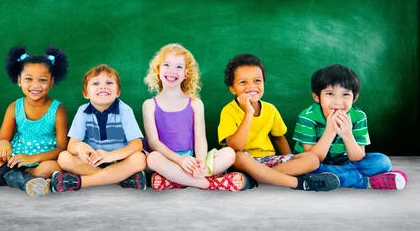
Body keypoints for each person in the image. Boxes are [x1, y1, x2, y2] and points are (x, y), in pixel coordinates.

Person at [218, 54, 340, 191]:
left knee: (312, 159)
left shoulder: (270, 109)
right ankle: (298, 183)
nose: (251, 86)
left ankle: (256, 178)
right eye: (243, 82)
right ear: (232, 89)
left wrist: (291, 159)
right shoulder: (228, 111)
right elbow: (235, 148)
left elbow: (278, 138)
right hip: (243, 162)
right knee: (238, 157)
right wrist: (248, 114)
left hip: (268, 160)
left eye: (257, 81)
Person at [143, 43, 250, 191]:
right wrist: (179, 160)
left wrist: (200, 163)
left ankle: (176, 181)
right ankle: (209, 184)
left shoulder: (195, 104)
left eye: (179, 67)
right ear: (158, 69)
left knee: (229, 153)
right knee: (152, 158)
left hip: (191, 161)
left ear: (187, 74)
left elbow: (200, 138)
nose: (172, 71)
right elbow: (153, 142)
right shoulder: (149, 105)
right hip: (166, 159)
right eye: (167, 65)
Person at [0, 45, 70, 198]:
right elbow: (0, 141)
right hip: (14, 159)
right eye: (28, 79)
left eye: (42, 80)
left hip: (42, 160)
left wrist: (32, 159)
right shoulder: (14, 107)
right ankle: (22, 180)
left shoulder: (58, 109)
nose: (35, 85)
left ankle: (4, 178)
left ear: (51, 82)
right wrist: (3, 143)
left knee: (52, 167)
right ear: (19, 80)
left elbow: (62, 147)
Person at [292, 64, 407, 190]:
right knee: (305, 170)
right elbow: (312, 158)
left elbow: (357, 157)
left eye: (345, 94)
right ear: (317, 97)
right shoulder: (307, 117)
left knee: (382, 162)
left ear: (355, 97)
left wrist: (347, 134)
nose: (338, 102)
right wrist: (330, 131)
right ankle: (364, 181)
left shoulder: (358, 117)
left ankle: (338, 177)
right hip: (314, 163)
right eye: (330, 94)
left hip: (344, 161)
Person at [51, 64, 147, 192]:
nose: (103, 86)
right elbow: (72, 145)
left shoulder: (125, 110)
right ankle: (122, 180)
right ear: (85, 93)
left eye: (109, 82)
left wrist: (111, 156)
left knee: (139, 159)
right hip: (93, 162)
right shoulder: (82, 111)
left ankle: (82, 182)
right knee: (64, 157)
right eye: (95, 83)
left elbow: (137, 145)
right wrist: (80, 147)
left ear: (117, 92)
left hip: (119, 160)